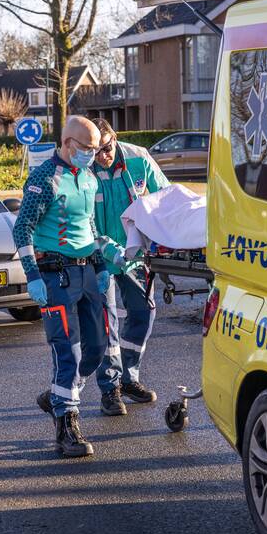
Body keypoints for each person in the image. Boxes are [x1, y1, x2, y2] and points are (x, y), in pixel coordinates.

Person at [12, 115, 118, 458]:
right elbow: (22, 229)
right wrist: (32, 275)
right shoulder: (45, 178)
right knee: (68, 350)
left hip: (86, 274)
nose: (94, 154)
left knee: (96, 349)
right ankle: (66, 426)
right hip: (55, 276)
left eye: (97, 148)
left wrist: (100, 265)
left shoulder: (88, 177)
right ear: (69, 143)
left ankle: (58, 395)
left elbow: (88, 225)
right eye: (88, 148)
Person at [92, 118, 170, 404]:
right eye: (95, 151)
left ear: (115, 138)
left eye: (106, 148)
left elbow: (165, 198)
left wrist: (167, 235)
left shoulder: (138, 158)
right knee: (106, 324)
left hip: (134, 254)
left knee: (143, 313)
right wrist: (109, 251)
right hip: (98, 257)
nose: (102, 156)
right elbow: (84, 224)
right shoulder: (83, 170)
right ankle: (109, 388)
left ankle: (129, 378)